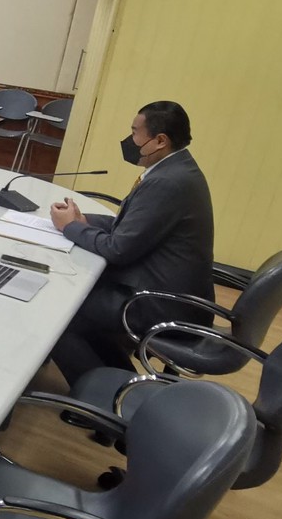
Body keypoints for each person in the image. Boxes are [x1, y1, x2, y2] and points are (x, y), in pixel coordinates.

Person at [47, 100, 214, 385]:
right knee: (81, 304)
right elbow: (130, 227)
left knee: (63, 309)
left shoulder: (167, 183)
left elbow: (118, 249)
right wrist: (82, 220)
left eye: (135, 132)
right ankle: (123, 381)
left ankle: (101, 395)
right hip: (169, 293)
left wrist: (71, 227)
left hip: (160, 304)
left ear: (160, 141)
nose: (130, 140)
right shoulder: (177, 169)